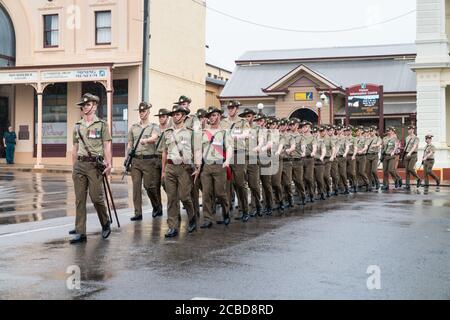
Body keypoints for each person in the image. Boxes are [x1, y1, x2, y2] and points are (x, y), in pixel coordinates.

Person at [69, 93, 113, 244]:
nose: (84, 107)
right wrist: (73, 168)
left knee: (96, 198)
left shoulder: (101, 125)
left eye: (87, 104)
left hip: (95, 165)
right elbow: (74, 148)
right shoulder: (77, 126)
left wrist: (109, 163)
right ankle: (81, 232)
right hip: (80, 165)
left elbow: (107, 145)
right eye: (83, 105)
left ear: (94, 106)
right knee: (80, 200)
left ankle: (105, 222)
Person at [159, 105, 202, 238]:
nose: (176, 116)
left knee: (184, 196)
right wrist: (163, 171)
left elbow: (197, 150)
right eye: (174, 114)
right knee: (171, 198)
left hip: (185, 167)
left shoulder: (190, 132)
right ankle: (173, 226)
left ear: (184, 116)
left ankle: (192, 216)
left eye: (178, 114)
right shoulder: (167, 132)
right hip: (170, 167)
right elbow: (164, 153)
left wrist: (198, 167)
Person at [128, 102, 161, 221]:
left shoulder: (153, 126)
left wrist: (146, 140)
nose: (142, 113)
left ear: (148, 111)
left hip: (149, 160)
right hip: (136, 161)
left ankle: (156, 206)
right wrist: (127, 157)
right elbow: (130, 143)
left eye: (144, 111)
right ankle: (138, 213)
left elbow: (154, 137)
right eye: (140, 111)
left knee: (149, 186)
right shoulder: (133, 127)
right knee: (136, 187)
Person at [200, 106, 233, 228]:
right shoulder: (204, 133)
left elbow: (229, 147)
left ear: (219, 116)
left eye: (214, 115)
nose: (212, 118)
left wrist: (227, 161)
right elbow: (199, 149)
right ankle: (207, 218)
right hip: (207, 166)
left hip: (220, 165)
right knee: (206, 193)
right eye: (210, 116)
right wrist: (198, 165)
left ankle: (226, 213)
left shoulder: (224, 132)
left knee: (220, 193)